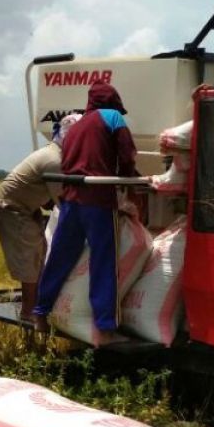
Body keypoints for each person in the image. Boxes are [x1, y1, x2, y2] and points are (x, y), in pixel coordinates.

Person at [32, 81, 137, 346]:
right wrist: (129, 179)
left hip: (70, 200)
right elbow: (126, 154)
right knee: (104, 261)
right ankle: (105, 326)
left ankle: (40, 313)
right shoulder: (112, 117)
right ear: (113, 102)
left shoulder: (75, 126)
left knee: (59, 257)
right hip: (98, 200)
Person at [0, 113, 80, 319]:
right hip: (12, 207)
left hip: (27, 206)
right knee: (30, 256)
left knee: (41, 252)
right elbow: (64, 204)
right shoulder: (55, 161)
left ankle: (38, 304)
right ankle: (29, 311)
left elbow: (51, 198)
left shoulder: (55, 152)